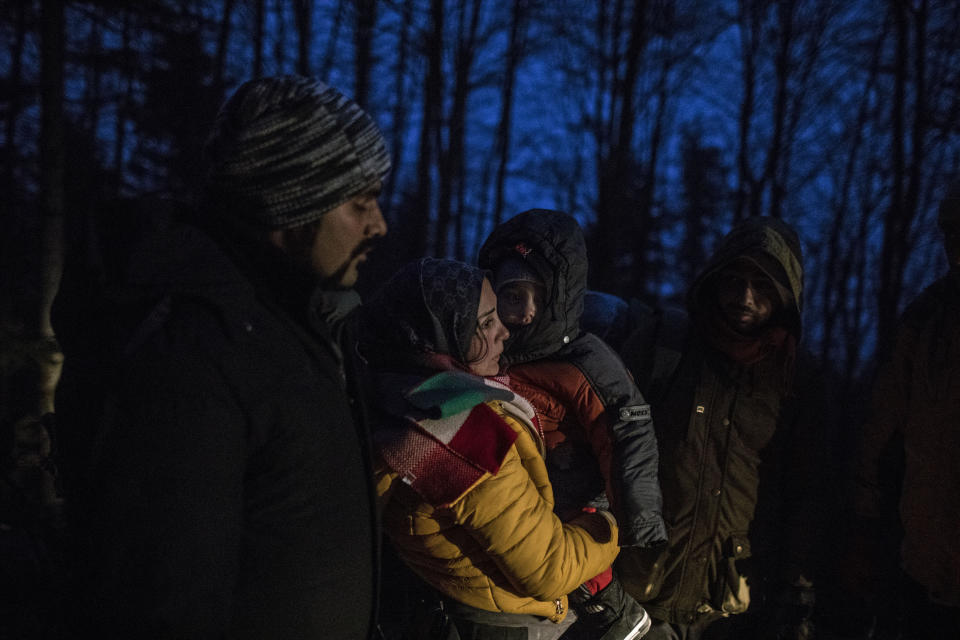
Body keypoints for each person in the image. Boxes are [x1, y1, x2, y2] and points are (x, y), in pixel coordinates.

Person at [52, 76, 390, 638]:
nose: (380, 224)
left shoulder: (290, 325)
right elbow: (157, 601)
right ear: (292, 206)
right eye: (360, 203)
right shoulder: (192, 351)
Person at [582, 217, 821, 640]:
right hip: (637, 597)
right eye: (735, 280)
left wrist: (798, 593)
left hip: (735, 612)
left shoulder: (795, 381)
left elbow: (806, 496)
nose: (745, 297)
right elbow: (601, 448)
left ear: (785, 297)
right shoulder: (666, 343)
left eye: (763, 286)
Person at [360, 257, 622, 640]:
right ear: (438, 335)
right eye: (484, 323)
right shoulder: (458, 431)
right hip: (497, 623)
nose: (504, 331)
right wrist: (611, 524)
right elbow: (551, 568)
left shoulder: (395, 394)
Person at [478, 209, 665, 640]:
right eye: (511, 297)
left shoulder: (584, 360)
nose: (524, 314)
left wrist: (639, 515)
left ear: (561, 301)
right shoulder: (483, 347)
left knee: (564, 545)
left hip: (575, 487)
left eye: (538, 299)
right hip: (514, 484)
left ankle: (618, 614)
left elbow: (626, 427)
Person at [845, 181, 960, 637]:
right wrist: (865, 529)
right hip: (923, 570)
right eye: (951, 234)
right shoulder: (927, 318)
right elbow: (883, 435)